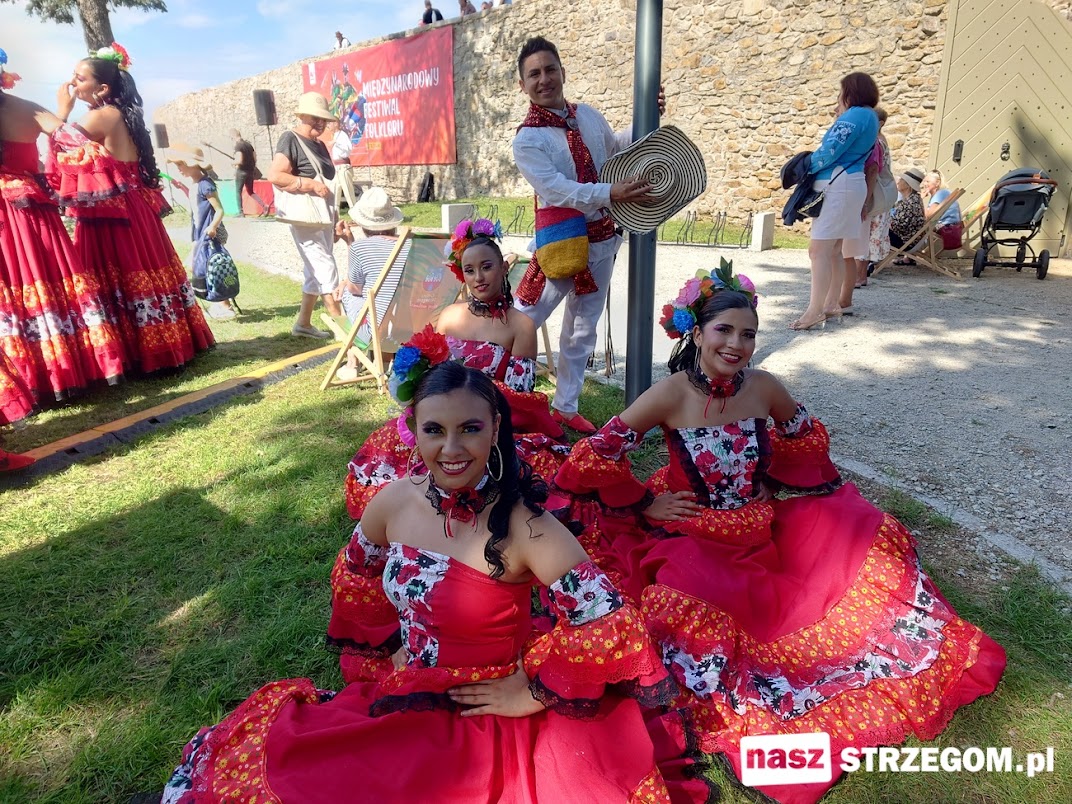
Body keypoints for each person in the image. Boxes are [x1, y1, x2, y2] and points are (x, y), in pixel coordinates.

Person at [554, 264, 1007, 804]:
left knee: (868, 531)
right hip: (693, 533)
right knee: (693, 605)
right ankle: (777, 747)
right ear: (695, 332)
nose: (737, 344)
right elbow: (597, 451)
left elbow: (804, 438)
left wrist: (769, 478)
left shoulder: (765, 387)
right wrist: (648, 502)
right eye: (724, 330)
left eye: (748, 334)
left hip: (760, 528)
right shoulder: (668, 393)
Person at [163, 360, 674, 803]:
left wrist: (531, 692)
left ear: (496, 427)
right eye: (435, 431)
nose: (452, 449)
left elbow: (605, 618)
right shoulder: (394, 501)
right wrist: (388, 650)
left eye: (470, 429)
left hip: (479, 709)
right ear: (414, 430)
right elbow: (359, 574)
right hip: (409, 687)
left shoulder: (528, 526)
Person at [340, 219, 569, 531]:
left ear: (503, 268)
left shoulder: (521, 325)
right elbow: (434, 373)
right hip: (442, 416)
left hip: (488, 422)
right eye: (470, 270)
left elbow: (520, 396)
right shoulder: (448, 315)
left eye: (486, 267)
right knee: (389, 444)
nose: (478, 277)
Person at [511, 36, 657, 434]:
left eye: (550, 69)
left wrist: (647, 118)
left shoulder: (588, 115)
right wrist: (611, 192)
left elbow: (614, 151)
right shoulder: (527, 140)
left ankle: (565, 406)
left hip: (603, 238)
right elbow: (557, 189)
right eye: (534, 74)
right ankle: (498, 396)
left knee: (582, 327)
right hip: (561, 242)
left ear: (562, 71)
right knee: (521, 320)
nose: (544, 79)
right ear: (522, 85)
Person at [52, 43, 215, 373]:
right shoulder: (124, 114)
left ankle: (137, 352)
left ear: (102, 88)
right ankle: (170, 342)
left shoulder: (99, 115)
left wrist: (61, 112)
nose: (72, 85)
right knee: (149, 272)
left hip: (112, 213)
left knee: (119, 273)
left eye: (78, 79)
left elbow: (61, 150)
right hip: (137, 208)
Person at [1, 52, 126, 408]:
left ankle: (24, 382)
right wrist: (62, 112)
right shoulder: (27, 109)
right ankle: (66, 370)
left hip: (12, 217)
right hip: (29, 214)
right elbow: (78, 143)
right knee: (47, 285)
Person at [791, 72, 879, 331]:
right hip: (852, 183)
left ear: (850, 92)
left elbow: (830, 151)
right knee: (834, 250)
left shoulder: (854, 115)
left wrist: (804, 165)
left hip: (837, 185)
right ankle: (830, 304)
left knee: (818, 250)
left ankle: (814, 310)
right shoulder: (871, 117)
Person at [267, 92, 345, 339]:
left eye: (323, 119)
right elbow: (276, 175)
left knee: (315, 270)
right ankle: (347, 335)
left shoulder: (320, 144)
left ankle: (303, 324)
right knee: (326, 269)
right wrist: (309, 185)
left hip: (323, 217)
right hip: (305, 218)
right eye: (315, 118)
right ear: (301, 116)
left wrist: (334, 221)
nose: (320, 123)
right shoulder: (289, 139)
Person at [168, 144, 236, 320]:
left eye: (180, 165)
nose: (179, 169)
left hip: (208, 236)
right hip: (199, 235)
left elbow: (220, 210)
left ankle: (225, 307)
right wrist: (182, 187)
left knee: (209, 269)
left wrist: (212, 227)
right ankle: (218, 304)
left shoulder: (205, 184)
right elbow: (196, 203)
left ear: (191, 164)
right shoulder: (196, 184)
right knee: (202, 269)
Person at [333, 186, 408, 324]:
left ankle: (355, 334)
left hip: (377, 326)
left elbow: (355, 288)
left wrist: (350, 243)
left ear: (363, 225)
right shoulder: (412, 243)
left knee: (346, 291)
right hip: (415, 322)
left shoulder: (360, 247)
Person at [846, 106, 893, 298]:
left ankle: (859, 275)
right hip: (876, 192)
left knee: (865, 233)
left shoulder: (876, 142)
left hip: (873, 192)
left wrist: (864, 199)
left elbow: (873, 170)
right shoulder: (882, 140)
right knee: (869, 233)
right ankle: (860, 275)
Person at [229, 129, 269, 217]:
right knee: (250, 191)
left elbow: (239, 160)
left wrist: (233, 163)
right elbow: (255, 158)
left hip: (241, 171)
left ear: (232, 136)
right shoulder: (249, 145)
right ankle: (264, 205)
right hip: (250, 171)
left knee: (238, 191)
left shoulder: (238, 146)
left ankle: (240, 212)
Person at [890, 167, 927, 261]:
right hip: (908, 239)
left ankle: (867, 261)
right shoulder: (913, 199)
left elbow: (899, 225)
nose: (898, 181)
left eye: (902, 180)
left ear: (908, 185)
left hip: (905, 242)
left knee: (873, 228)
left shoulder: (911, 202)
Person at [922, 169, 964, 251]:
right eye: (924, 181)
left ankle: (908, 254)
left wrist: (920, 199)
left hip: (946, 226)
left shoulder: (940, 194)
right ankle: (910, 255)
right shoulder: (944, 192)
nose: (925, 184)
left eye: (928, 181)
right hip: (953, 225)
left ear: (937, 183)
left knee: (913, 226)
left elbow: (929, 216)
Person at [326, 118, 358, 213]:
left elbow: (348, 148)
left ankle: (355, 213)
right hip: (336, 168)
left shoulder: (342, 135)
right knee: (336, 191)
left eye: (330, 123)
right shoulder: (335, 136)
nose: (328, 125)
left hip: (343, 167)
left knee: (348, 191)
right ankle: (335, 214)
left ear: (336, 124)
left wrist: (336, 143)